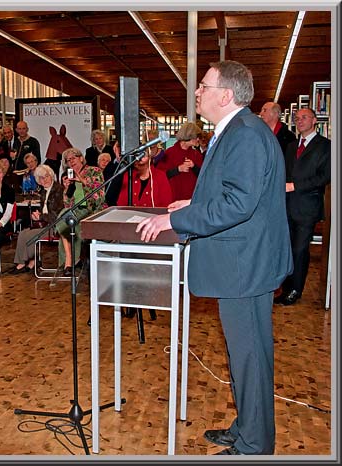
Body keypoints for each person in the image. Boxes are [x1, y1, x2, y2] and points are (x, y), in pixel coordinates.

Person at [135, 60, 292, 455]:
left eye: (204, 86)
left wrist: (178, 218)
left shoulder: (246, 136)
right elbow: (235, 192)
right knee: (245, 357)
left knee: (250, 358)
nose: (198, 92)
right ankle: (247, 428)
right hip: (242, 262)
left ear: (226, 95)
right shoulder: (238, 131)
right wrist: (195, 200)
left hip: (245, 266)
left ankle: (254, 446)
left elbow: (239, 203)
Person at [275, 107, 331, 306]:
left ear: (315, 120)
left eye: (304, 117)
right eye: (297, 118)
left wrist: (295, 186)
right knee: (288, 248)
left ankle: (296, 290)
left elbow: (325, 176)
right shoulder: (291, 146)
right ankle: (286, 287)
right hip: (287, 205)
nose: (300, 121)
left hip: (307, 207)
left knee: (300, 250)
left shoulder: (326, 146)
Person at [56, 147, 106, 276]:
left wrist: (82, 181)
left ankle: (70, 262)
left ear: (81, 158)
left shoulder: (93, 171)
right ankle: (70, 260)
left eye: (73, 158)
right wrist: (66, 190)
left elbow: (99, 196)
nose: (71, 162)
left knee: (69, 225)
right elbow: (67, 203)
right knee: (64, 222)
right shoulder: (69, 176)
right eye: (68, 160)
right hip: (75, 210)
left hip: (92, 210)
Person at [9, 165, 64, 274]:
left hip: (56, 226)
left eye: (47, 176)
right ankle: (25, 262)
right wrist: (37, 215)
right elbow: (43, 211)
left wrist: (41, 216)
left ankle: (26, 262)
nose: (45, 180)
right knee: (22, 233)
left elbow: (57, 216)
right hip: (45, 224)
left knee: (30, 236)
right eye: (41, 178)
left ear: (51, 176)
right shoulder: (43, 192)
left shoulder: (59, 190)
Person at [155, 122, 203, 201]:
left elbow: (203, 176)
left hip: (191, 199)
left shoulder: (196, 154)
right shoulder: (169, 153)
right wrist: (178, 169)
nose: (198, 139)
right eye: (196, 137)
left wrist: (194, 166)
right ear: (189, 136)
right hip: (173, 198)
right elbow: (161, 176)